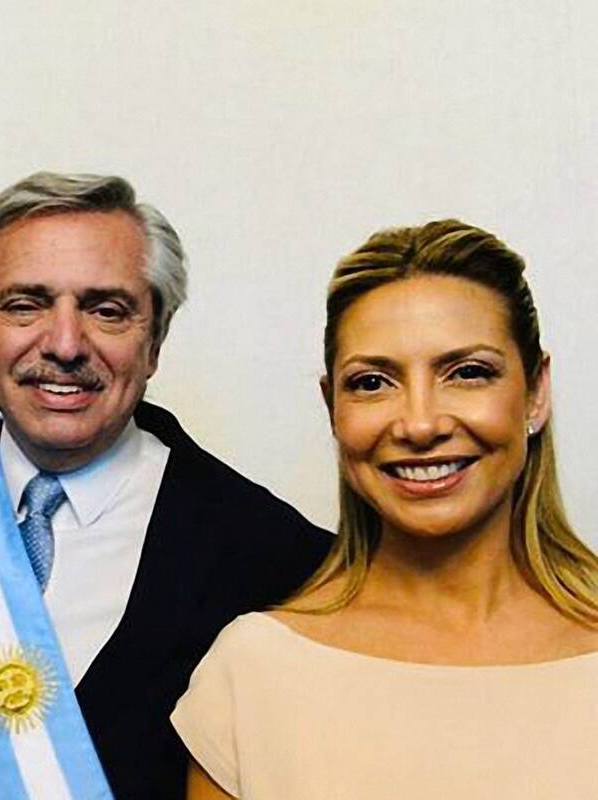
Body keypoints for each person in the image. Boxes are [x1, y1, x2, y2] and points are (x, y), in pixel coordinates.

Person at [0, 171, 331, 799]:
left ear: (155, 343)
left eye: (107, 310)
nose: (65, 345)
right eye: (25, 305)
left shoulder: (269, 555)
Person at [172, 220, 598, 799]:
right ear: (332, 408)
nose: (420, 424)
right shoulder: (253, 675)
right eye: (373, 382)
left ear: (535, 391)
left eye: (468, 373)